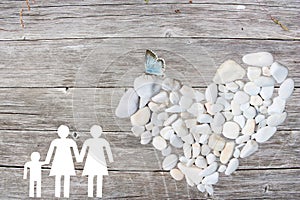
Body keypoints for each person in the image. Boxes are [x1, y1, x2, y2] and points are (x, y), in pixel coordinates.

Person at [44, 125, 80, 198]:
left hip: (67, 161)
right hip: (59, 161)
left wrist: (78, 159)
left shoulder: (70, 141)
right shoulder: (56, 141)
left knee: (66, 177)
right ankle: (58, 195)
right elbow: (50, 151)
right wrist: (47, 161)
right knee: (59, 177)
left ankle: (66, 195)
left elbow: (75, 150)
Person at [79, 125, 114, 198]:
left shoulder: (91, 141)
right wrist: (110, 159)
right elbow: (108, 150)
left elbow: (108, 150)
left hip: (97, 161)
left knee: (96, 177)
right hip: (94, 161)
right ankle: (93, 194)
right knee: (94, 177)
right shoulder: (97, 141)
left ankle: (96, 194)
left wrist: (80, 159)